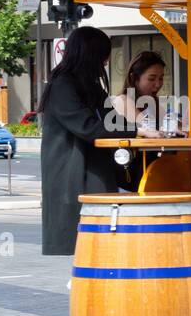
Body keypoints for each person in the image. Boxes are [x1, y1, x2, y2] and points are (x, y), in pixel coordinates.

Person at [39, 26, 125, 256]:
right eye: (103, 57)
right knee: (90, 237)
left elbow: (112, 121)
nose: (106, 63)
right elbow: (88, 128)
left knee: (98, 236)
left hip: (91, 168)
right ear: (91, 55)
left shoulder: (89, 86)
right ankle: (84, 284)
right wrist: (137, 132)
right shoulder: (63, 85)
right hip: (74, 171)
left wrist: (140, 129)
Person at [111, 50, 166, 136]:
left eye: (161, 78)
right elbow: (148, 128)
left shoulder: (154, 103)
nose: (158, 84)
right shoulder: (123, 100)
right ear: (134, 78)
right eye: (151, 79)